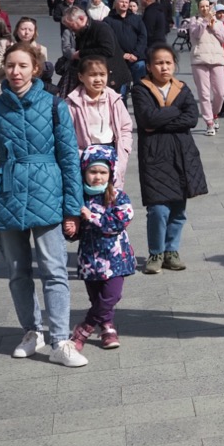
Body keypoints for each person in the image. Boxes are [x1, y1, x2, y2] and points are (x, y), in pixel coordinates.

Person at [0, 43, 87, 367]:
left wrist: (73, 208)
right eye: (10, 65)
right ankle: (31, 331)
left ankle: (60, 340)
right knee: (17, 271)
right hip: (7, 194)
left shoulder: (55, 106)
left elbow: (69, 159)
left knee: (54, 270)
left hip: (47, 192)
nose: (15, 72)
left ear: (36, 69)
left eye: (23, 65)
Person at [131, 44, 208, 274]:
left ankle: (171, 251)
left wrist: (160, 120)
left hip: (182, 154)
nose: (164, 67)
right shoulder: (141, 89)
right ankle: (156, 253)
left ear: (174, 64)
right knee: (158, 209)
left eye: (168, 62)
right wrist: (176, 111)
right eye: (158, 63)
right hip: (154, 155)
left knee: (177, 209)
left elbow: (192, 118)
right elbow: (147, 119)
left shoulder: (182, 88)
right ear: (149, 66)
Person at [69, 145, 135, 352]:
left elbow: (120, 221)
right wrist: (71, 229)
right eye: (93, 171)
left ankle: (84, 328)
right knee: (97, 298)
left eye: (103, 172)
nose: (97, 177)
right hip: (89, 258)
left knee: (111, 296)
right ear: (84, 172)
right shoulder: (79, 198)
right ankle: (107, 328)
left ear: (110, 173)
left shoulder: (118, 196)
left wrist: (92, 217)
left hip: (116, 258)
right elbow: (75, 229)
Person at [65, 56, 133, 192]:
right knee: (88, 195)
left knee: (112, 194)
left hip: (112, 152)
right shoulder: (71, 104)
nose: (98, 79)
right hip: (85, 154)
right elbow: (66, 135)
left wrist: (124, 148)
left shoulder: (114, 99)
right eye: (92, 75)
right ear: (81, 77)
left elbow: (125, 127)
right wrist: (80, 155)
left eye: (102, 74)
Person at [184, 0, 224, 136]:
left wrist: (213, 26)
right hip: (199, 59)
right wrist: (204, 22)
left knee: (221, 93)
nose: (205, 8)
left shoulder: (219, 23)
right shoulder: (194, 21)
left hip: (217, 59)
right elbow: (196, 35)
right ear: (198, 8)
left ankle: (214, 114)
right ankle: (209, 122)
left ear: (210, 7)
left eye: (207, 6)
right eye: (202, 6)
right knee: (204, 93)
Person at [62, 6, 132, 93]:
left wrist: (81, 53)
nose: (71, 29)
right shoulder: (82, 31)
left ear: (81, 18)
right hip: (97, 75)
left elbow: (108, 50)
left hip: (113, 77)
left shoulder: (101, 28)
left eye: (72, 25)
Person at [0, 17, 48, 89]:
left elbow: (43, 73)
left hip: (31, 89)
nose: (26, 32)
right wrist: (9, 66)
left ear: (34, 32)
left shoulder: (41, 49)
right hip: (5, 89)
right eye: (23, 29)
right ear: (17, 30)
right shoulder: (5, 45)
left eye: (30, 30)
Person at [104, 0, 147, 85]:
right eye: (122, 2)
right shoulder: (108, 20)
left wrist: (136, 54)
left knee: (140, 85)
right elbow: (107, 40)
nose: (124, 4)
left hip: (136, 58)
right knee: (121, 88)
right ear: (115, 4)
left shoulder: (136, 19)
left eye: (126, 2)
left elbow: (143, 37)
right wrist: (121, 54)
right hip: (117, 59)